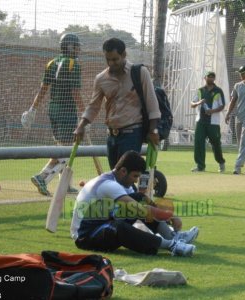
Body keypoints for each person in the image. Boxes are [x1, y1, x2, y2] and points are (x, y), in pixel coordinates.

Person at [70, 150, 199, 256]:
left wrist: (166, 215)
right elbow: (138, 209)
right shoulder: (108, 184)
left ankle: (172, 237)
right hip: (85, 236)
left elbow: (143, 201)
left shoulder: (123, 183)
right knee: (120, 226)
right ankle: (171, 246)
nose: (136, 181)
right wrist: (171, 216)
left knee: (138, 197)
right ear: (123, 171)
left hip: (102, 223)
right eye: (135, 176)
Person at [74, 38, 161, 169]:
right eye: (107, 59)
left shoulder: (139, 72)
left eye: (115, 59)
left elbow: (152, 104)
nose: (111, 63)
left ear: (124, 55)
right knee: (115, 176)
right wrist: (81, 126)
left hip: (132, 133)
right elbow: (93, 106)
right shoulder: (101, 79)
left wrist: (153, 130)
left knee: (125, 174)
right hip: (111, 136)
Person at [22, 33, 85, 195]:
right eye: (77, 46)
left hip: (53, 111)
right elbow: (75, 92)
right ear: (71, 47)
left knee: (62, 148)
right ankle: (42, 177)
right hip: (67, 112)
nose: (79, 49)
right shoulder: (73, 64)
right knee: (66, 151)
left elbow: (43, 89)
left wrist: (32, 109)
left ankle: (65, 185)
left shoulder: (52, 62)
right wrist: (85, 114)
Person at [190, 71, 226, 172]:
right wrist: (198, 102)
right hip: (200, 121)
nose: (211, 78)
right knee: (199, 142)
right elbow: (192, 103)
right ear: (204, 78)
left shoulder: (218, 91)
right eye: (209, 77)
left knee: (215, 143)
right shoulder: (200, 90)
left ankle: (221, 162)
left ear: (214, 79)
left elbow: (222, 105)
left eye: (212, 77)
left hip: (213, 123)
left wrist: (212, 111)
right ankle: (200, 166)